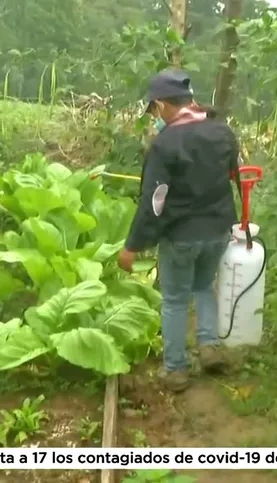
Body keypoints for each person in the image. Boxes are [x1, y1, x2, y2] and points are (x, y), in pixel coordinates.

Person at [117, 68, 241, 392]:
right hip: (217, 230)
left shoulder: (166, 143)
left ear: (160, 105)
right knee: (203, 288)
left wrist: (133, 246)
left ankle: (176, 368)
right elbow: (230, 174)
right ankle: (209, 346)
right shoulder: (222, 132)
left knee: (173, 299)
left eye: (154, 110)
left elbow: (155, 202)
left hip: (181, 235)